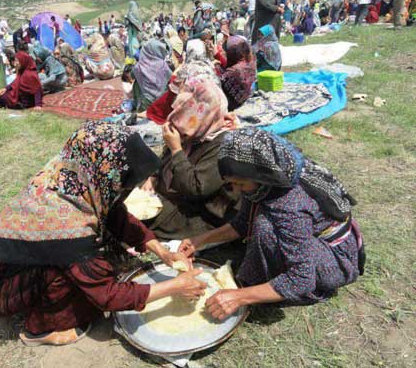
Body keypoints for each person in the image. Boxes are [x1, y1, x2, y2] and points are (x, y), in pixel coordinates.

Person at [0, 122, 204, 346]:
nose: (126, 190)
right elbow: (107, 295)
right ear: (105, 171)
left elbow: (115, 215)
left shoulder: (67, 178)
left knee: (81, 263)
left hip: (12, 271)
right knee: (84, 293)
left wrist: (162, 252)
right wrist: (176, 286)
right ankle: (42, 328)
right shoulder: (64, 221)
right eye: (125, 183)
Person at [179, 128, 365, 318]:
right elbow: (244, 223)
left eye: (240, 184)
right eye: (231, 183)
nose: (236, 189)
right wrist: (198, 240)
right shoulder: (268, 177)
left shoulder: (291, 205)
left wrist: (240, 297)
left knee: (265, 227)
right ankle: (267, 279)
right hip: (307, 239)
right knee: (263, 224)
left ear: (262, 177)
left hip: (332, 258)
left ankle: (296, 288)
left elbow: (301, 278)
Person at [145, 77, 240, 240]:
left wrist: (176, 149)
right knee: (128, 193)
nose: (182, 135)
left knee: (144, 221)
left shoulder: (223, 144)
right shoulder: (197, 134)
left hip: (204, 210)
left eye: (185, 132)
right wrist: (153, 176)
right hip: (181, 195)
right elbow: (166, 157)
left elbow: (197, 189)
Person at [132, 39, 172, 112]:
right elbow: (170, 78)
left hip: (144, 104)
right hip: (161, 102)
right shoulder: (163, 65)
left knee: (137, 83)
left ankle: (137, 107)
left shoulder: (138, 66)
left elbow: (132, 76)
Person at [221, 36, 256, 111]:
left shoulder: (233, 71)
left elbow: (220, 83)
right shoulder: (250, 62)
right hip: (247, 97)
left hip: (234, 105)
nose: (224, 53)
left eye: (226, 51)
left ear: (232, 52)